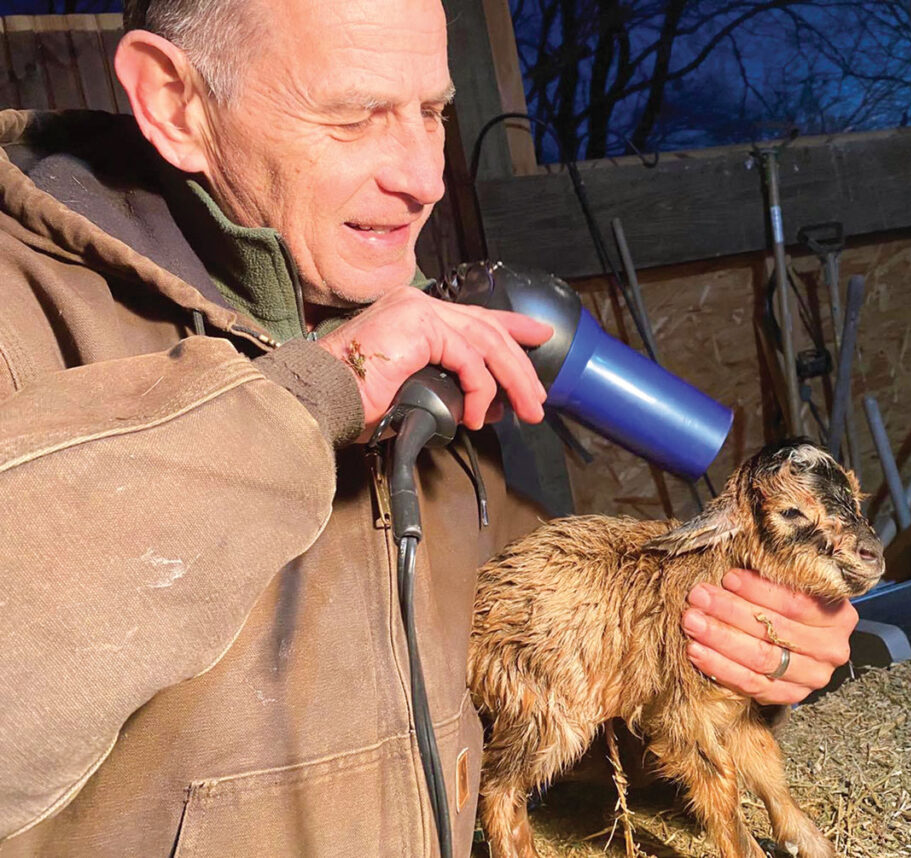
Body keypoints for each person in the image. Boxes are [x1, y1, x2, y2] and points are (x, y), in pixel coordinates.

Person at [0, 0, 859, 854]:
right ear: (175, 101)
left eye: (433, 112)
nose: (425, 177)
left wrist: (725, 649)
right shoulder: (22, 319)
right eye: (352, 115)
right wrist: (317, 392)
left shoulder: (419, 355)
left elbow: (502, 684)